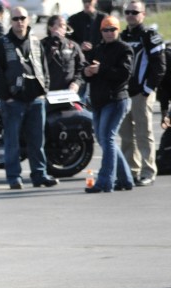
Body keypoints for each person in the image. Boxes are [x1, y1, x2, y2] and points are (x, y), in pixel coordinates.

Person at [0, 6, 58, 190]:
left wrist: (44, 90)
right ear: (10, 21)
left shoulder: (36, 42)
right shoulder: (2, 44)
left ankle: (40, 175)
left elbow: (44, 67)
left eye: (22, 18)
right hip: (14, 102)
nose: (19, 22)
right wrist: (6, 97)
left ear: (28, 20)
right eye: (15, 19)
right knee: (12, 142)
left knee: (37, 142)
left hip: (36, 99)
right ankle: (14, 177)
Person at [83, 16, 134, 193]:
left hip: (116, 99)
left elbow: (124, 74)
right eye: (106, 30)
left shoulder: (124, 49)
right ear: (101, 32)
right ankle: (126, 179)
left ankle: (105, 182)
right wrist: (87, 71)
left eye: (113, 29)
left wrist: (101, 69)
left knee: (108, 138)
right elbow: (86, 69)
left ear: (118, 30)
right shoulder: (98, 49)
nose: (109, 33)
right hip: (98, 101)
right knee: (105, 141)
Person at [119, 0, 167, 187]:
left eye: (135, 12)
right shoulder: (122, 35)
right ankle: (131, 170)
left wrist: (147, 89)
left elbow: (160, 66)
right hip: (124, 93)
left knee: (144, 133)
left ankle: (148, 171)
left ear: (143, 14)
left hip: (141, 93)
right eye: (128, 12)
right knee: (125, 134)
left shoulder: (150, 35)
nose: (131, 15)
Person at [41, 15, 85, 92]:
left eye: (64, 25)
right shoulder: (42, 44)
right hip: (48, 91)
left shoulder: (73, 45)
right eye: (60, 25)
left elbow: (81, 68)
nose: (63, 27)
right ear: (50, 27)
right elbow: (41, 63)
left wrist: (76, 83)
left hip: (68, 91)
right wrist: (53, 42)